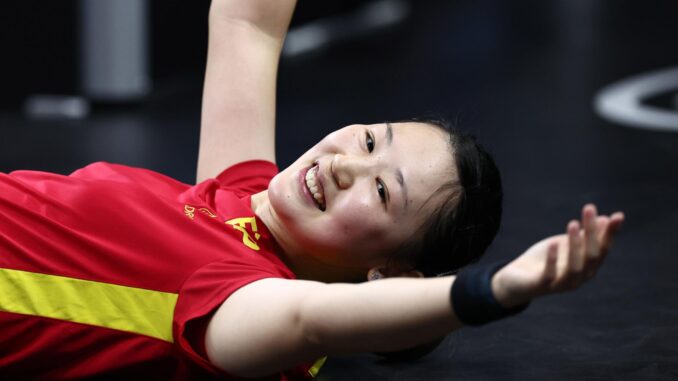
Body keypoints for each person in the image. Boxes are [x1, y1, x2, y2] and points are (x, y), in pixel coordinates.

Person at [0, 0, 624, 380]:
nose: (348, 164)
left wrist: (496, 290)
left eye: (383, 194)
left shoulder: (245, 306)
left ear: (388, 276)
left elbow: (310, 320)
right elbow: (248, 25)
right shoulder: (242, 195)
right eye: (372, 141)